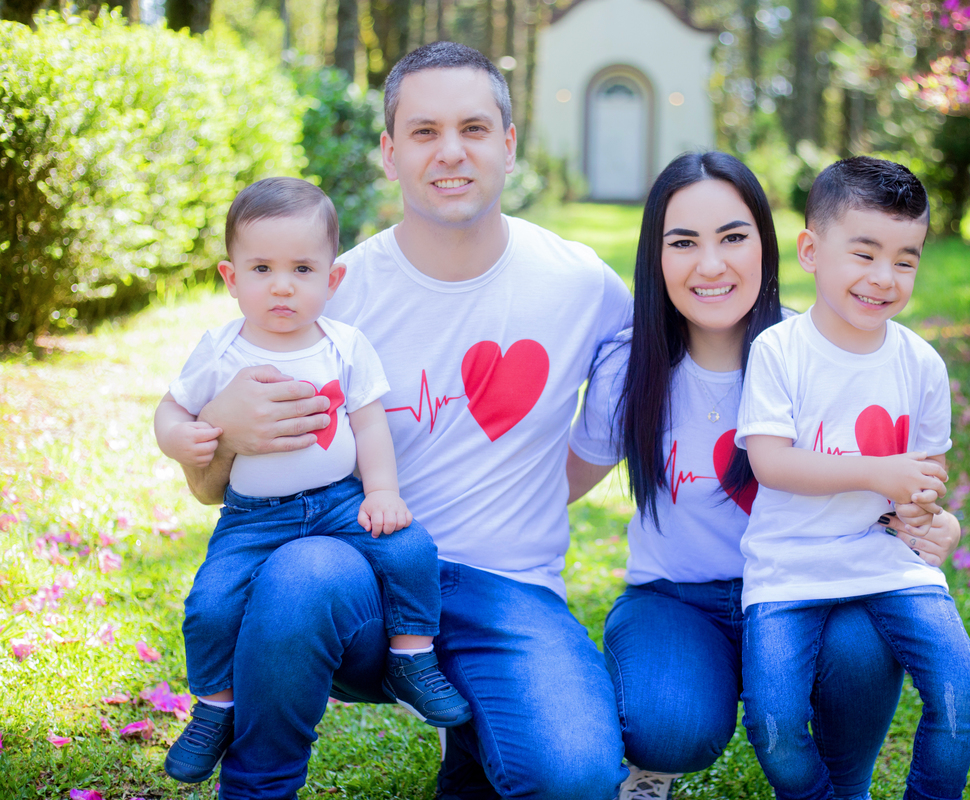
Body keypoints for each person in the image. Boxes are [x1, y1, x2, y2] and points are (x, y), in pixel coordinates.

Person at [170, 44, 632, 799]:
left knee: (573, 778)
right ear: (390, 153)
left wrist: (574, 468)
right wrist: (220, 433)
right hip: (359, 577)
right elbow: (212, 489)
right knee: (299, 573)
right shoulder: (332, 296)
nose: (451, 152)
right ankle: (257, 786)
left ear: (509, 145)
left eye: (475, 128)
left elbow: (658, 344)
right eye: (423, 131)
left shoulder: (579, 281)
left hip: (508, 587)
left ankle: (478, 745)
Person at [567, 151, 964, 800]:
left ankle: (844, 788)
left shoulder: (812, 351)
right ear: (655, 256)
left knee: (862, 645)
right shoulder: (630, 368)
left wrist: (936, 521)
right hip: (678, 597)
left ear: (772, 245)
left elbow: (887, 475)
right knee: (670, 724)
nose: (712, 264)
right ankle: (650, 762)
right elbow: (558, 482)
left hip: (809, 586)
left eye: (733, 237)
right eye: (683, 242)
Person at [153, 177, 471, 783]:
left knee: (409, 548)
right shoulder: (220, 349)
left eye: (302, 269)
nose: (281, 285)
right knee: (210, 603)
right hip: (252, 516)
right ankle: (216, 707)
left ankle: (412, 657)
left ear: (332, 279)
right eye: (262, 268)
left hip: (336, 503)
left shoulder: (344, 345)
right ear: (230, 278)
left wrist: (381, 491)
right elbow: (173, 407)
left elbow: (370, 424)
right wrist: (177, 435)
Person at [735, 156, 970, 800]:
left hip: (887, 561)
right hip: (786, 569)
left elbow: (927, 476)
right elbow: (772, 463)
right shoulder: (779, 351)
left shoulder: (921, 364)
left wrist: (932, 512)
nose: (884, 278)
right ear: (812, 250)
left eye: (906, 259)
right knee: (772, 721)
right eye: (865, 253)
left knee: (961, 691)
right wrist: (879, 470)